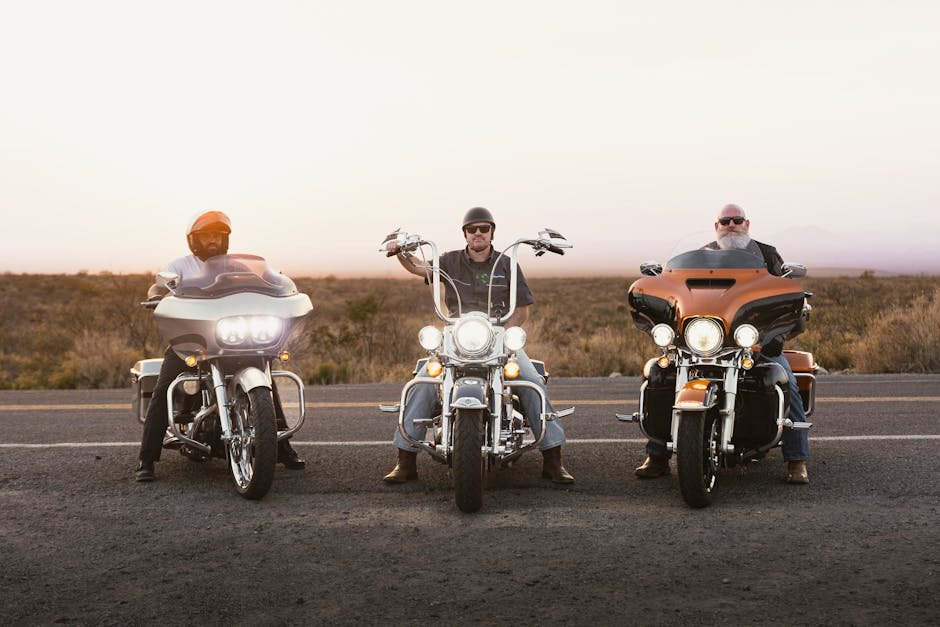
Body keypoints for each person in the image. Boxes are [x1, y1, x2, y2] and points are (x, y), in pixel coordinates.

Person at [381, 207, 574, 484]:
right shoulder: (449, 261)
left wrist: (506, 335)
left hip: (497, 338)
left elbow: (521, 310)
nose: (479, 233)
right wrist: (400, 251)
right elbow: (418, 267)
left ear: (492, 232)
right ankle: (405, 460)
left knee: (532, 382)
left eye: (484, 228)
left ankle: (553, 459)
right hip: (456, 337)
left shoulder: (507, 264)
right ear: (466, 234)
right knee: (422, 382)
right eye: (473, 229)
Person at [634, 203, 810, 484]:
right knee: (662, 378)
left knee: (785, 381)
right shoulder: (701, 256)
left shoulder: (767, 254)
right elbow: (680, 288)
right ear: (716, 226)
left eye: (736, 220)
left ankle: (797, 459)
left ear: (747, 223)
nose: (731, 225)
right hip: (706, 337)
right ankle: (657, 455)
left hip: (753, 341)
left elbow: (780, 293)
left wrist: (765, 337)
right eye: (725, 221)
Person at [134, 211, 305, 481]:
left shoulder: (236, 266)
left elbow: (265, 285)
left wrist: (279, 290)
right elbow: (161, 289)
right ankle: (147, 458)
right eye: (206, 236)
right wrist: (157, 294)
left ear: (225, 239)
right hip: (193, 342)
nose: (212, 241)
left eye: (217, 235)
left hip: (236, 338)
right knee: (164, 386)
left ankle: (282, 447)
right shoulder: (180, 266)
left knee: (268, 385)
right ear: (194, 240)